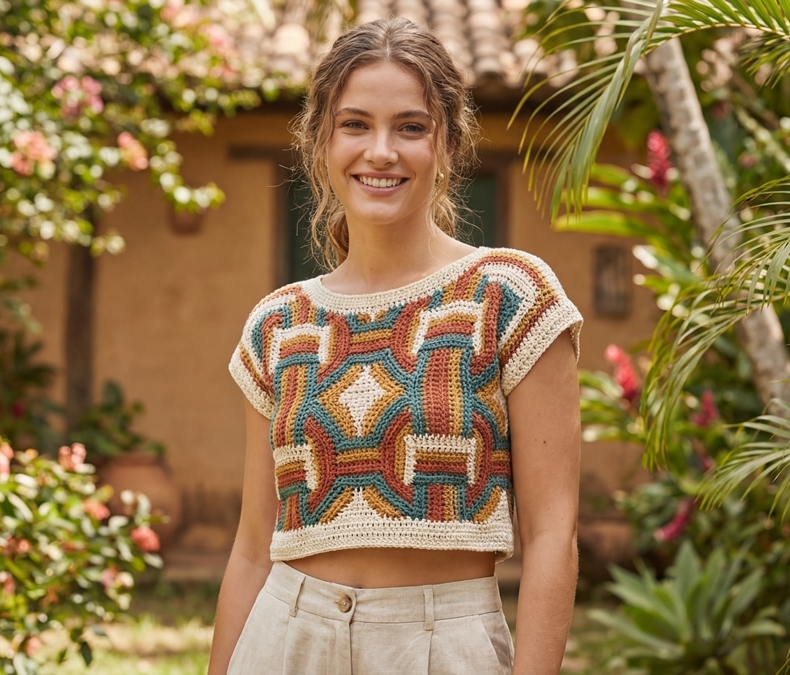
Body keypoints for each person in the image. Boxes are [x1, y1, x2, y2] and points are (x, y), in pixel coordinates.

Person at [210, 17, 582, 675]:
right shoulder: (279, 325)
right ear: (321, 141)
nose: (380, 150)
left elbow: (553, 535)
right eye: (355, 124)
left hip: (446, 644)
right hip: (283, 638)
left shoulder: (510, 295)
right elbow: (249, 548)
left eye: (410, 127)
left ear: (448, 143)